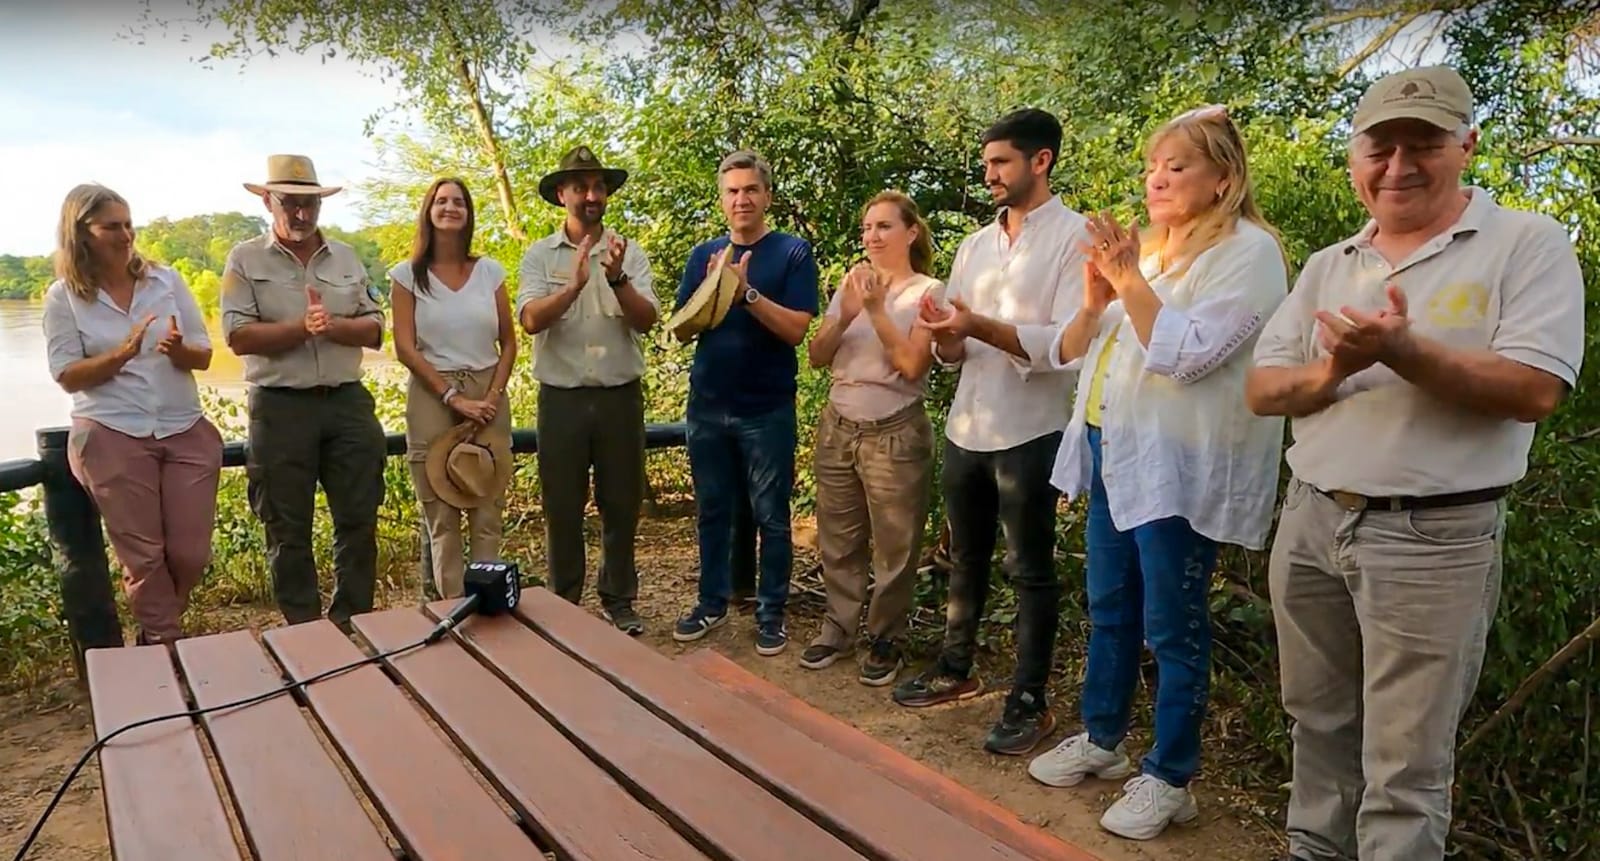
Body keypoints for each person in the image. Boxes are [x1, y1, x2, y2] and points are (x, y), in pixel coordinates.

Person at [1246, 66, 1585, 861]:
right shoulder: (1333, 262)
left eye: (1423, 143)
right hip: (1313, 516)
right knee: (1318, 723)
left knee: (1406, 766)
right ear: (1355, 157)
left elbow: (1536, 388)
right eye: (1381, 145)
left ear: (1466, 145)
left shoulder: (1526, 243)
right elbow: (1265, 389)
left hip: (1435, 537)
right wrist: (1332, 373)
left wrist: (1401, 350)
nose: (1398, 165)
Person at [1023, 105, 1289, 840]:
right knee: (1110, 605)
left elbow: (1188, 354)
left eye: (1177, 165)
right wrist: (1098, 293)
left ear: (1224, 179)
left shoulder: (1248, 252)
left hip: (1180, 467)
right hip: (1116, 449)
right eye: (1152, 165)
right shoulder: (1159, 253)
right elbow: (1078, 348)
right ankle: (1104, 739)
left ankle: (1173, 775)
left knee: (1173, 623)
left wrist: (1128, 277)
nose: (1157, 177)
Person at [898, 108, 1086, 756]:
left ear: (1042, 161)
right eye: (986, 164)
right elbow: (954, 345)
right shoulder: (975, 244)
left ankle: (1029, 697)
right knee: (964, 556)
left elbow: (1066, 345)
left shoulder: (1077, 238)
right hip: (968, 422)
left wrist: (973, 325)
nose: (990, 175)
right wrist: (947, 332)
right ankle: (956, 666)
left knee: (1029, 568)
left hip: (1033, 428)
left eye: (1001, 162)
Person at [42, 183, 223, 646]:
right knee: (144, 559)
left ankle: (155, 639)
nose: (126, 236)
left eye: (128, 224)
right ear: (81, 233)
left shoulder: (166, 281)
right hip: (111, 433)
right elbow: (66, 374)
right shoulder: (64, 297)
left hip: (183, 428)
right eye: (112, 227)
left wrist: (181, 350)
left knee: (189, 553)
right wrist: (121, 354)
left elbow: (203, 355)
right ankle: (164, 654)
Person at [221, 154, 388, 633]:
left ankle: (351, 623)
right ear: (269, 202)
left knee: (359, 520)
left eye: (309, 204)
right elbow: (236, 337)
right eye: (289, 203)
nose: (300, 214)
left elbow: (377, 329)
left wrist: (331, 325)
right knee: (286, 528)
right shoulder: (244, 260)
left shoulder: (348, 257)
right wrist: (300, 328)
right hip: (279, 408)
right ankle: (306, 632)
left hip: (347, 402)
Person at [671, 149, 820, 656]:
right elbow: (682, 329)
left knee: (771, 516)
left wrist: (747, 294)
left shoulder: (793, 253)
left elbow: (798, 329)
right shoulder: (704, 255)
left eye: (751, 190)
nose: (742, 199)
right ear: (722, 199)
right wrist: (715, 286)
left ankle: (770, 614)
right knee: (713, 510)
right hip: (708, 406)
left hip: (766, 408)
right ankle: (710, 603)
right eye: (733, 191)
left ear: (767, 196)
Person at [800, 191, 942, 686]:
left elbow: (911, 365)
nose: (872, 237)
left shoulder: (929, 291)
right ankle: (838, 627)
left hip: (894, 432)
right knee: (838, 538)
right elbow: (818, 354)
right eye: (867, 228)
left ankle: (886, 637)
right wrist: (846, 311)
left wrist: (878, 310)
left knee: (894, 547)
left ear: (910, 233)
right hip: (840, 424)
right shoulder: (850, 283)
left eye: (884, 226)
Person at [516, 146, 659, 634]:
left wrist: (616, 278)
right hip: (562, 400)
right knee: (562, 505)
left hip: (620, 397)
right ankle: (565, 604)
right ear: (562, 195)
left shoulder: (628, 251)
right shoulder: (539, 254)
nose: (591, 195)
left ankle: (619, 600)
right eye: (581, 187)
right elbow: (531, 320)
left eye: (599, 186)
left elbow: (647, 319)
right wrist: (573, 286)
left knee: (621, 503)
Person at [391, 178, 517, 599]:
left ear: (468, 213)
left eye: (459, 201)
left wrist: (492, 398)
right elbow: (405, 347)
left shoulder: (489, 272)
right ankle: (451, 613)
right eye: (441, 201)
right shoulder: (407, 276)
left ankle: (489, 605)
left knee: (487, 507)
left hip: (487, 391)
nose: (450, 207)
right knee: (441, 516)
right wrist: (452, 397)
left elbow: (510, 341)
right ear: (428, 211)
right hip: (432, 393)